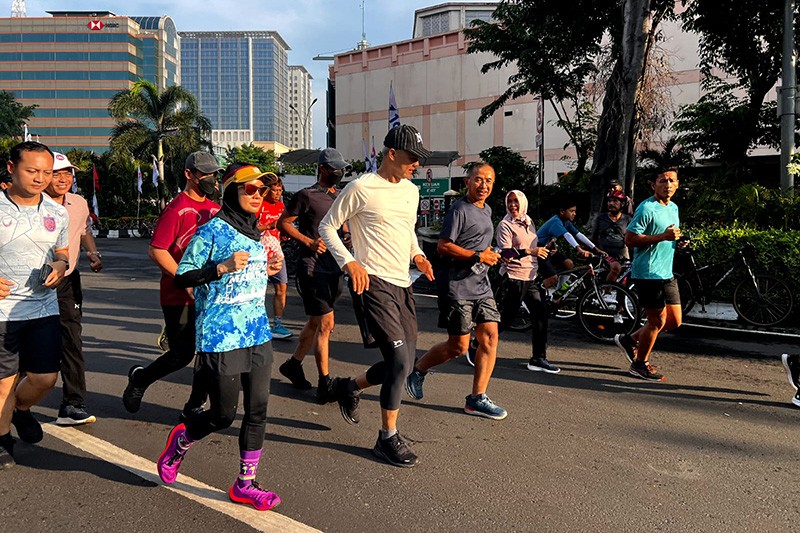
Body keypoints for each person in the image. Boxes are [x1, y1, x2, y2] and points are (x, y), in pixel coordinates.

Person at [157, 163, 282, 511]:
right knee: (223, 415)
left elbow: (254, 276)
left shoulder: (259, 234)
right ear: (231, 191)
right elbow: (182, 276)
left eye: (262, 190)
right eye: (250, 189)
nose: (258, 195)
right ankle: (181, 441)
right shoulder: (211, 231)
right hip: (220, 335)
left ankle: (245, 484)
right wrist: (220, 267)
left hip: (257, 331)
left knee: (258, 410)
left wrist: (268, 267)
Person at [319, 124, 434, 468]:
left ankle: (348, 387)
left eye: (419, 158)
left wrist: (418, 255)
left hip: (403, 283)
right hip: (373, 283)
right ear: (392, 154)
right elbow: (327, 226)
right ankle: (387, 437)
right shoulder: (361, 188)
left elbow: (408, 231)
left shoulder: (411, 191)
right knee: (398, 362)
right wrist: (350, 262)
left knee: (406, 364)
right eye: (412, 157)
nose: (416, 164)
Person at [122, 151, 223, 418]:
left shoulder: (215, 210)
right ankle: (141, 378)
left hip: (211, 294)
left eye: (214, 174)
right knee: (182, 354)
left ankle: (194, 406)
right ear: (189, 174)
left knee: (209, 352)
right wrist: (186, 279)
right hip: (178, 294)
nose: (211, 179)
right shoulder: (177, 208)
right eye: (205, 174)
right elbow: (157, 250)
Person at [405, 163, 508, 420]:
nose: (484, 185)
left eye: (489, 181)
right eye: (479, 180)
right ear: (467, 182)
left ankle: (477, 398)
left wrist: (491, 254)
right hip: (457, 287)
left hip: (481, 285)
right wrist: (477, 255)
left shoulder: (487, 210)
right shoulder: (459, 209)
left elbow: (480, 244)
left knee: (490, 338)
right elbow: (443, 246)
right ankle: (418, 369)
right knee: (458, 347)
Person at [0, 141, 68, 469]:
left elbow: (62, 251)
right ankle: (2, 439)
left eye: (46, 172)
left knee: (45, 378)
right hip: (2, 312)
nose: (40, 178)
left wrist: (60, 265)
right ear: (11, 168)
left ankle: (20, 410)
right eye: (32, 171)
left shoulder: (57, 212)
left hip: (43, 308)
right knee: (4, 382)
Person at [276, 148, 350, 404]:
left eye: (341, 168)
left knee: (315, 322)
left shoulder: (340, 196)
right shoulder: (306, 195)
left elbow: (344, 226)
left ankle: (293, 365)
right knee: (326, 324)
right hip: (312, 268)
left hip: (334, 268)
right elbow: (283, 223)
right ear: (322, 169)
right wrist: (308, 241)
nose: (339, 172)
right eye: (335, 168)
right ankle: (324, 383)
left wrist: (348, 238)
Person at [45, 152, 103, 426]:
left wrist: (93, 253)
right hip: (32, 283)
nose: (63, 178)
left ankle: (72, 404)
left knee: (71, 340)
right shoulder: (32, 203)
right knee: (24, 341)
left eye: (67, 173)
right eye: (56, 173)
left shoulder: (78, 203)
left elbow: (83, 230)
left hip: (67, 280)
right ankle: (16, 401)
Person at [614, 167, 682, 381]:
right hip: (648, 273)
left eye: (671, 180)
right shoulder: (646, 208)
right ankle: (639, 364)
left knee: (674, 321)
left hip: (666, 272)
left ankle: (629, 340)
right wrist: (663, 236)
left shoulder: (673, 207)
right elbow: (630, 239)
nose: (668, 185)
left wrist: (678, 241)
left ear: (677, 184)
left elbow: (669, 235)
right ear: (654, 185)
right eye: (663, 181)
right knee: (656, 321)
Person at [494, 190, 559, 373]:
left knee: (541, 314)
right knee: (506, 318)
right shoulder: (505, 225)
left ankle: (538, 358)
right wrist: (531, 252)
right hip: (513, 277)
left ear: (523, 203)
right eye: (509, 201)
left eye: (516, 201)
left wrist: (546, 250)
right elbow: (505, 254)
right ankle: (477, 345)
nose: (512, 205)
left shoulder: (529, 222)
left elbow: (532, 247)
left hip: (531, 277)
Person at [536, 199, 606, 289]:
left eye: (575, 211)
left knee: (568, 264)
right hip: (539, 250)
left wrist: (596, 249)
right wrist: (579, 249)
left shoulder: (566, 222)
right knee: (552, 278)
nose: (574, 214)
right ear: (562, 212)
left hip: (548, 250)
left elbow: (579, 235)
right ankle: (538, 292)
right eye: (571, 211)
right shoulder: (556, 221)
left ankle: (559, 292)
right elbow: (567, 235)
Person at [256, 175, 292, 340]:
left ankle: (277, 324)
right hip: (260, 253)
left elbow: (284, 226)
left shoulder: (281, 206)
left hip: (276, 252)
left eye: (280, 190)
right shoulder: (259, 205)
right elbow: (251, 228)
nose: (278, 194)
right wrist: (268, 226)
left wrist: (284, 234)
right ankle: (258, 322)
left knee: (282, 288)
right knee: (258, 289)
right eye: (274, 190)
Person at [591, 189, 631, 322]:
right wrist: (594, 250)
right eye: (609, 201)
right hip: (606, 254)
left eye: (615, 201)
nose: (611, 204)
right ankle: (607, 292)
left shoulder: (627, 219)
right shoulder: (601, 218)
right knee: (616, 268)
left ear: (622, 204)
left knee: (623, 286)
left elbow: (632, 237)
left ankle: (618, 312)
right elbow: (594, 237)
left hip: (623, 255)